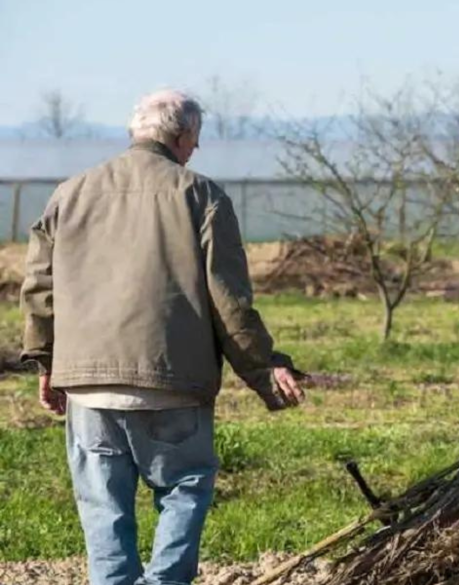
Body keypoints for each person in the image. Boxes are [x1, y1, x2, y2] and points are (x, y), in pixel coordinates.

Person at [19, 89, 305, 585]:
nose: (195, 151)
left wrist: (47, 364)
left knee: (103, 507)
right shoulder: (201, 195)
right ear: (182, 135)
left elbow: (40, 289)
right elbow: (229, 300)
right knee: (186, 486)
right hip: (172, 381)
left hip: (88, 387)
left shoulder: (70, 193)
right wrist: (263, 369)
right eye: (195, 141)